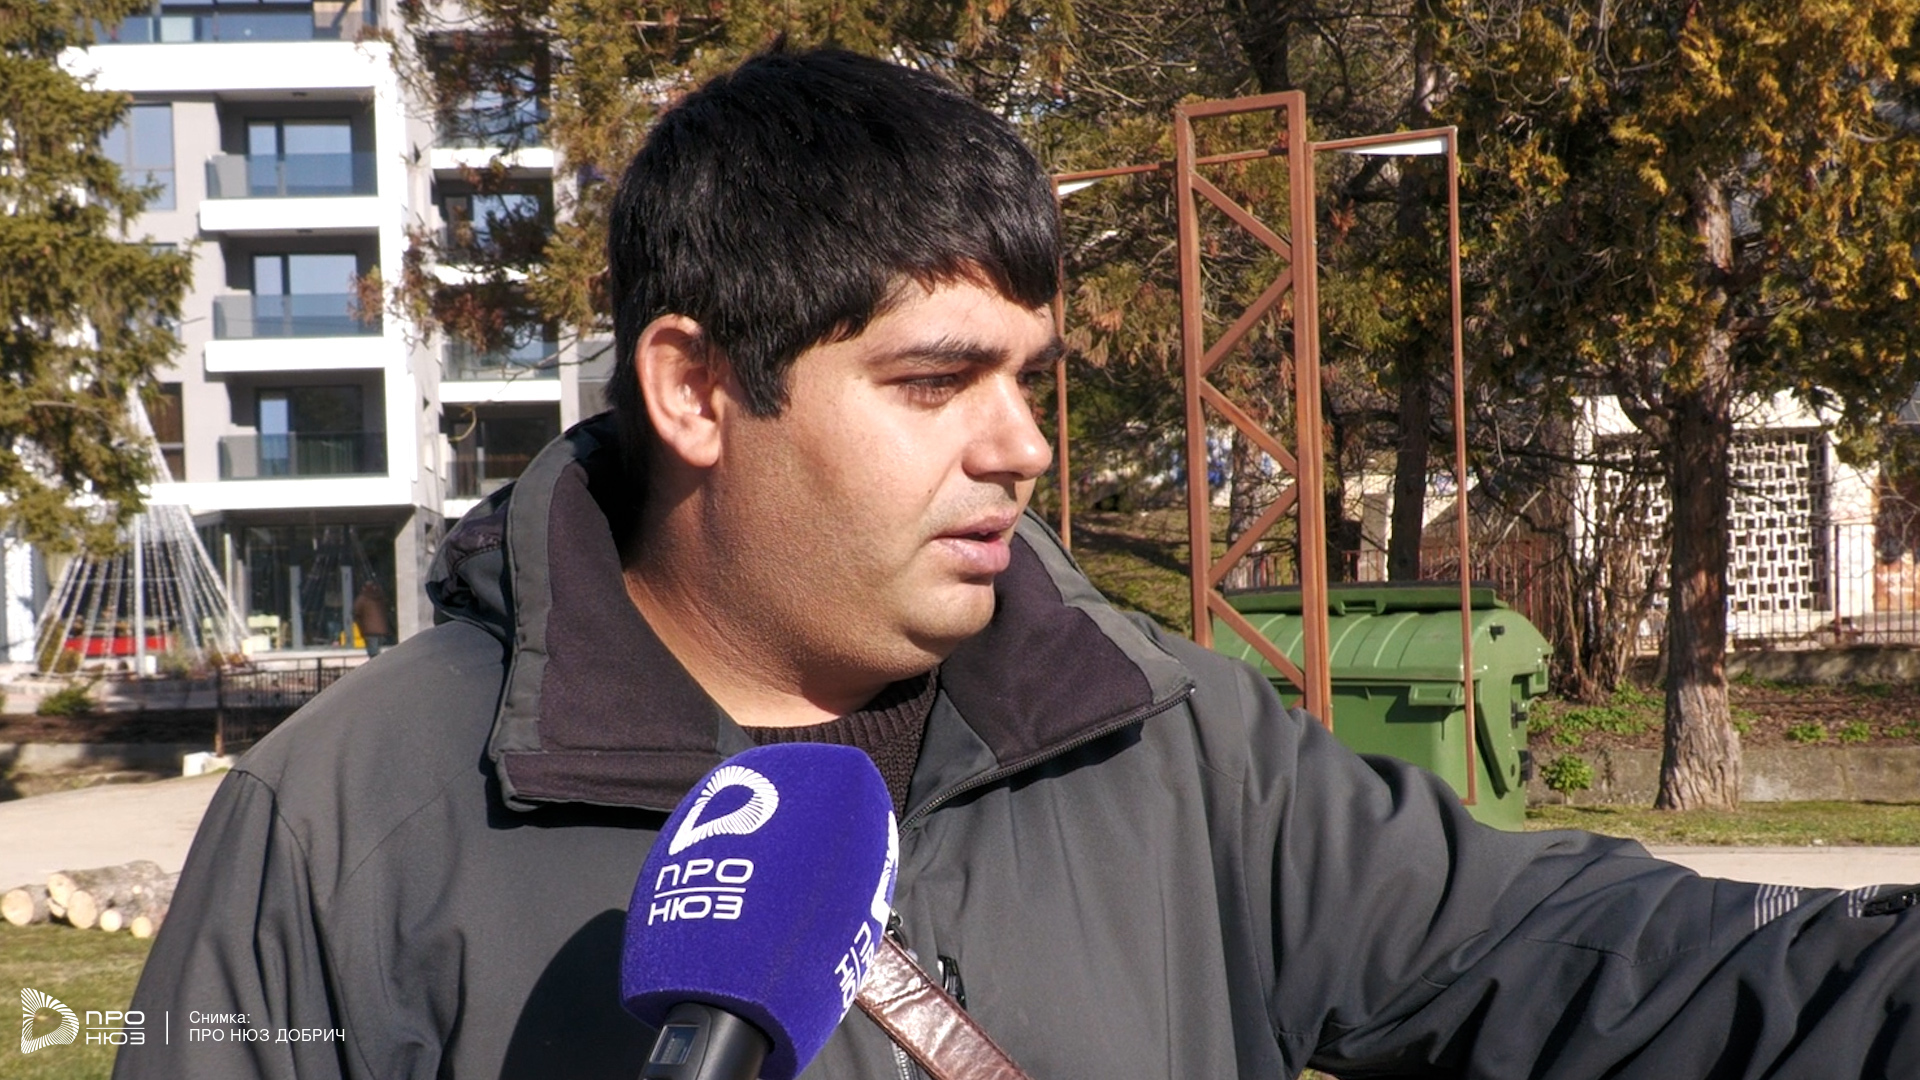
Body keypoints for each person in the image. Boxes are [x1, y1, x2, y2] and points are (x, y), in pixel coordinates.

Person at [116, 45, 1920, 1080]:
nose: (1023, 446)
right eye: (934, 383)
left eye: (1028, 378)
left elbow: (1612, 963)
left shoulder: (1161, 735)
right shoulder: (339, 827)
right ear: (695, 390)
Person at [350, 581, 390, 658]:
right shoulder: (381, 597)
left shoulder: (362, 599)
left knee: (373, 652)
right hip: (381, 630)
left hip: (369, 630)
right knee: (377, 648)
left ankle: (375, 664)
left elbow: (355, 611)